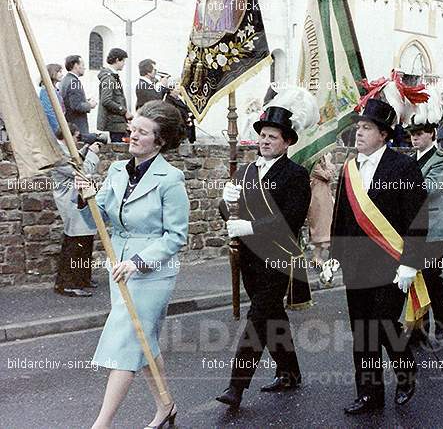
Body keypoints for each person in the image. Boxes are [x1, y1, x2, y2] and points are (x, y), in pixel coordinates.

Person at [75, 101, 189, 429]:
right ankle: (165, 405)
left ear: (160, 141)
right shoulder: (116, 171)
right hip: (119, 268)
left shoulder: (171, 179)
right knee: (144, 340)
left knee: (127, 341)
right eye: (132, 128)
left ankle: (102, 424)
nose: (132, 135)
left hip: (151, 273)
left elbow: (175, 237)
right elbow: (100, 219)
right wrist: (86, 197)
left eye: (142, 132)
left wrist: (139, 262)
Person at [323, 98, 427, 414]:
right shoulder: (349, 168)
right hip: (357, 265)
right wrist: (333, 257)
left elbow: (417, 218)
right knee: (363, 331)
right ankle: (369, 394)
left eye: (367, 128)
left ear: (383, 134)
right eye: (359, 127)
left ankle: (406, 372)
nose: (360, 133)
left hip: (392, 263)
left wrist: (410, 262)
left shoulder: (403, 167)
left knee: (382, 323)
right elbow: (342, 215)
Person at [216, 87, 315, 412]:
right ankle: (290, 371)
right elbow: (230, 214)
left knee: (258, 318)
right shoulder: (245, 171)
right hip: (248, 259)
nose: (265, 141)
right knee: (273, 315)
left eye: (273, 137)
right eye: (263, 135)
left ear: (287, 142)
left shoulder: (296, 175)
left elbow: (290, 219)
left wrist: (250, 227)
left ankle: (236, 387)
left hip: (278, 258)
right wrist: (225, 203)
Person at [405, 103, 443, 345]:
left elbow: (429, 188)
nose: (415, 138)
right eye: (412, 134)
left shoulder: (442, 161)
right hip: (412, 230)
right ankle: (418, 329)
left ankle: (442, 320)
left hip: (434, 229)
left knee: (432, 277)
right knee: (413, 277)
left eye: (420, 133)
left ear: (432, 133)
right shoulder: (409, 160)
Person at [52, 123, 100, 297]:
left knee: (85, 241)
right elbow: (82, 171)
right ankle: (68, 284)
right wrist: (93, 155)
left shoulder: (63, 150)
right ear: (67, 136)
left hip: (78, 201)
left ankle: (82, 278)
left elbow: (76, 159)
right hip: (71, 203)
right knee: (75, 244)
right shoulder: (58, 153)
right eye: (77, 137)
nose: (78, 140)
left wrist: (87, 148)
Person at [97, 48, 132, 143]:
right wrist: (124, 111)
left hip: (118, 123)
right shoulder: (109, 78)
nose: (124, 64)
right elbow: (106, 100)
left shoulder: (113, 77)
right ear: (117, 60)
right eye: (123, 61)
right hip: (115, 124)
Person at [308, 152, 336, 267]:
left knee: (325, 226)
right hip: (318, 200)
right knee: (320, 227)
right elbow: (328, 176)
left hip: (323, 197)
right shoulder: (314, 164)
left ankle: (321, 255)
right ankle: (316, 256)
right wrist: (328, 160)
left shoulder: (320, 163)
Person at [60, 55, 96, 135]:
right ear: (76, 66)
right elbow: (76, 106)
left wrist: (85, 101)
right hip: (77, 125)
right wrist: (90, 105)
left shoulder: (65, 80)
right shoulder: (74, 82)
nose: (84, 68)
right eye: (82, 65)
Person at [39, 63, 65, 133]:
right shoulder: (46, 90)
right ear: (52, 72)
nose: (62, 74)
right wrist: (58, 129)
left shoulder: (54, 89)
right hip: (53, 127)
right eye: (59, 72)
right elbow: (49, 111)